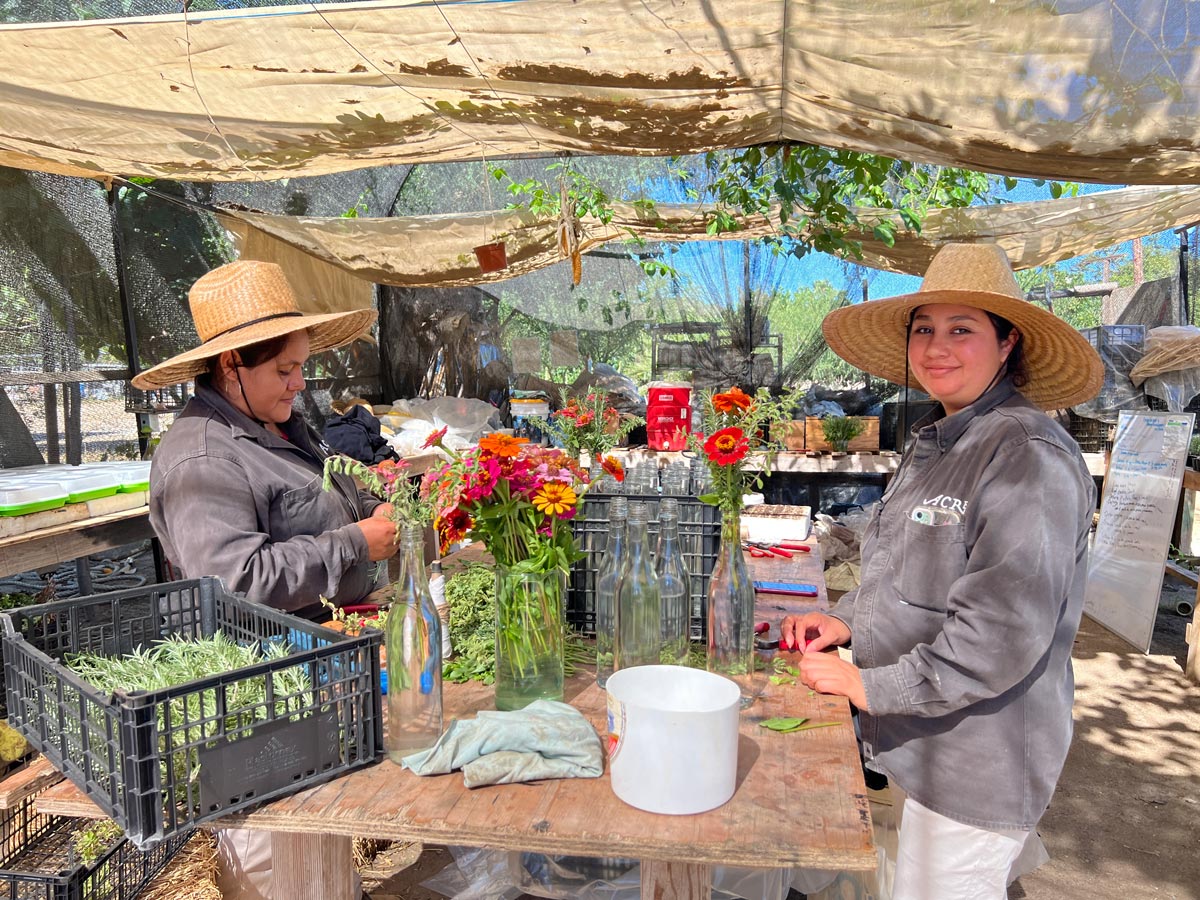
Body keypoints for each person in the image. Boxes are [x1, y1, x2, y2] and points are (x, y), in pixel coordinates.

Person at [780, 243, 1104, 900]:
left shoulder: (1025, 455)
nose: (936, 347)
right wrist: (843, 623)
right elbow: (908, 573)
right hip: (920, 741)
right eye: (924, 329)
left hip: (975, 763)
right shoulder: (941, 439)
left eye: (962, 330)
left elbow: (999, 637)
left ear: (1008, 343)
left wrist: (868, 687)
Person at [131, 260, 396, 620]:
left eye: (301, 367)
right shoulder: (203, 459)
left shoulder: (279, 423)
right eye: (284, 371)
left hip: (341, 622)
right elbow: (235, 583)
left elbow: (331, 491)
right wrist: (354, 544)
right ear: (230, 365)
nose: (299, 383)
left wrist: (372, 509)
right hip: (277, 654)